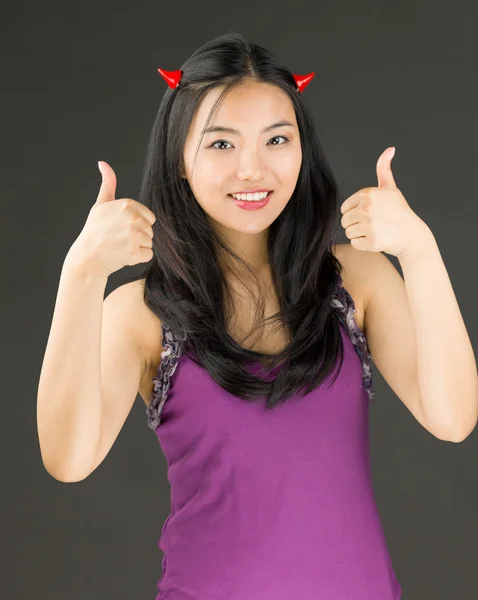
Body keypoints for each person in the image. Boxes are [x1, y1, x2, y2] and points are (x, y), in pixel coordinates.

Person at [37, 31, 402, 599]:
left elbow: (453, 418)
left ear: (301, 151)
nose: (252, 170)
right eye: (222, 144)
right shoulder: (140, 312)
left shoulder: (356, 280)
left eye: (276, 139)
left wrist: (420, 249)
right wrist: (79, 274)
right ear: (179, 159)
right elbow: (68, 460)